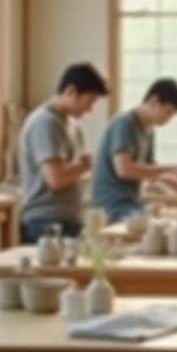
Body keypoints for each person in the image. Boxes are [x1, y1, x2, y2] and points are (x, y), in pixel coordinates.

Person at [19, 62, 108, 242]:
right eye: (90, 101)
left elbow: (70, 173)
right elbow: (56, 179)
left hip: (69, 219)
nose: (90, 109)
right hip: (46, 222)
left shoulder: (72, 126)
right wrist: (83, 166)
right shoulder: (44, 122)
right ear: (71, 92)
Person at [91, 77, 177, 222]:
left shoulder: (149, 129)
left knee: (171, 222)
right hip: (113, 203)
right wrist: (173, 168)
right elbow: (124, 170)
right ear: (154, 101)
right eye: (168, 112)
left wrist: (171, 180)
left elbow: (148, 169)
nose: (169, 119)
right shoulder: (124, 123)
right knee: (152, 229)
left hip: (131, 201)